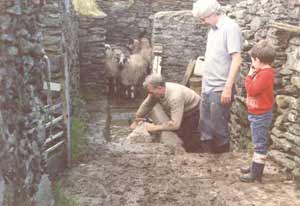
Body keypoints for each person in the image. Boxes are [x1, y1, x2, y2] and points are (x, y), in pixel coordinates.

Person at [192, 0, 242, 153]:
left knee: (219, 128)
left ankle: (223, 162)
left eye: (204, 18)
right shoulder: (212, 30)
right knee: (205, 125)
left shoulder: (230, 28)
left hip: (220, 87)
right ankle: (206, 158)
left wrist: (227, 88)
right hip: (207, 84)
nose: (203, 22)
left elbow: (237, 59)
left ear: (213, 13)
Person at [130, 74, 201, 152]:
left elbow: (175, 125)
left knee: (186, 137)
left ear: (159, 88)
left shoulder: (175, 97)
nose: (150, 95)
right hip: (179, 108)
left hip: (193, 111)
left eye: (151, 92)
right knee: (174, 129)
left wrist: (153, 127)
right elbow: (146, 105)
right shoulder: (156, 92)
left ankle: (193, 152)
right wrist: (136, 119)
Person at [239, 40, 275, 183]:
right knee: (257, 141)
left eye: (253, 60)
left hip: (260, 115)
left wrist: (248, 76)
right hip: (256, 114)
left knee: (259, 143)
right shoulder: (262, 72)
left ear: (258, 60)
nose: (252, 63)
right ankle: (255, 167)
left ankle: (256, 174)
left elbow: (252, 90)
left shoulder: (265, 74)